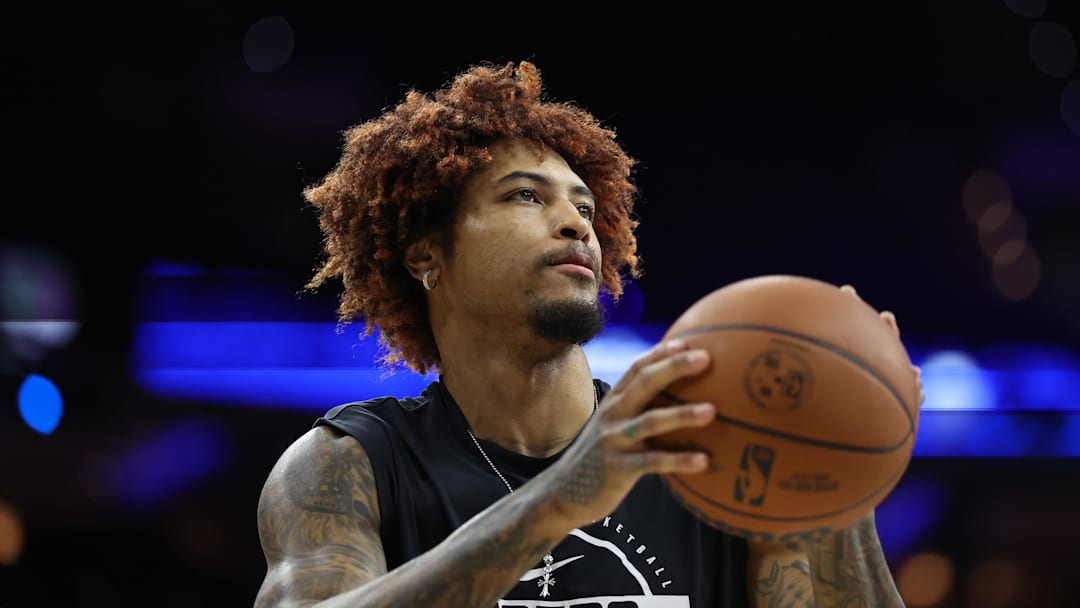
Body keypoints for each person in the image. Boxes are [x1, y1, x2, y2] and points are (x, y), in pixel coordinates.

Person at [253, 59, 920, 608]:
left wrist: (842, 473)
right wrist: (558, 500)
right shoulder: (349, 464)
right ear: (425, 251)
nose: (577, 223)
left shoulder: (715, 453)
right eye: (524, 195)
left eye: (584, 206)